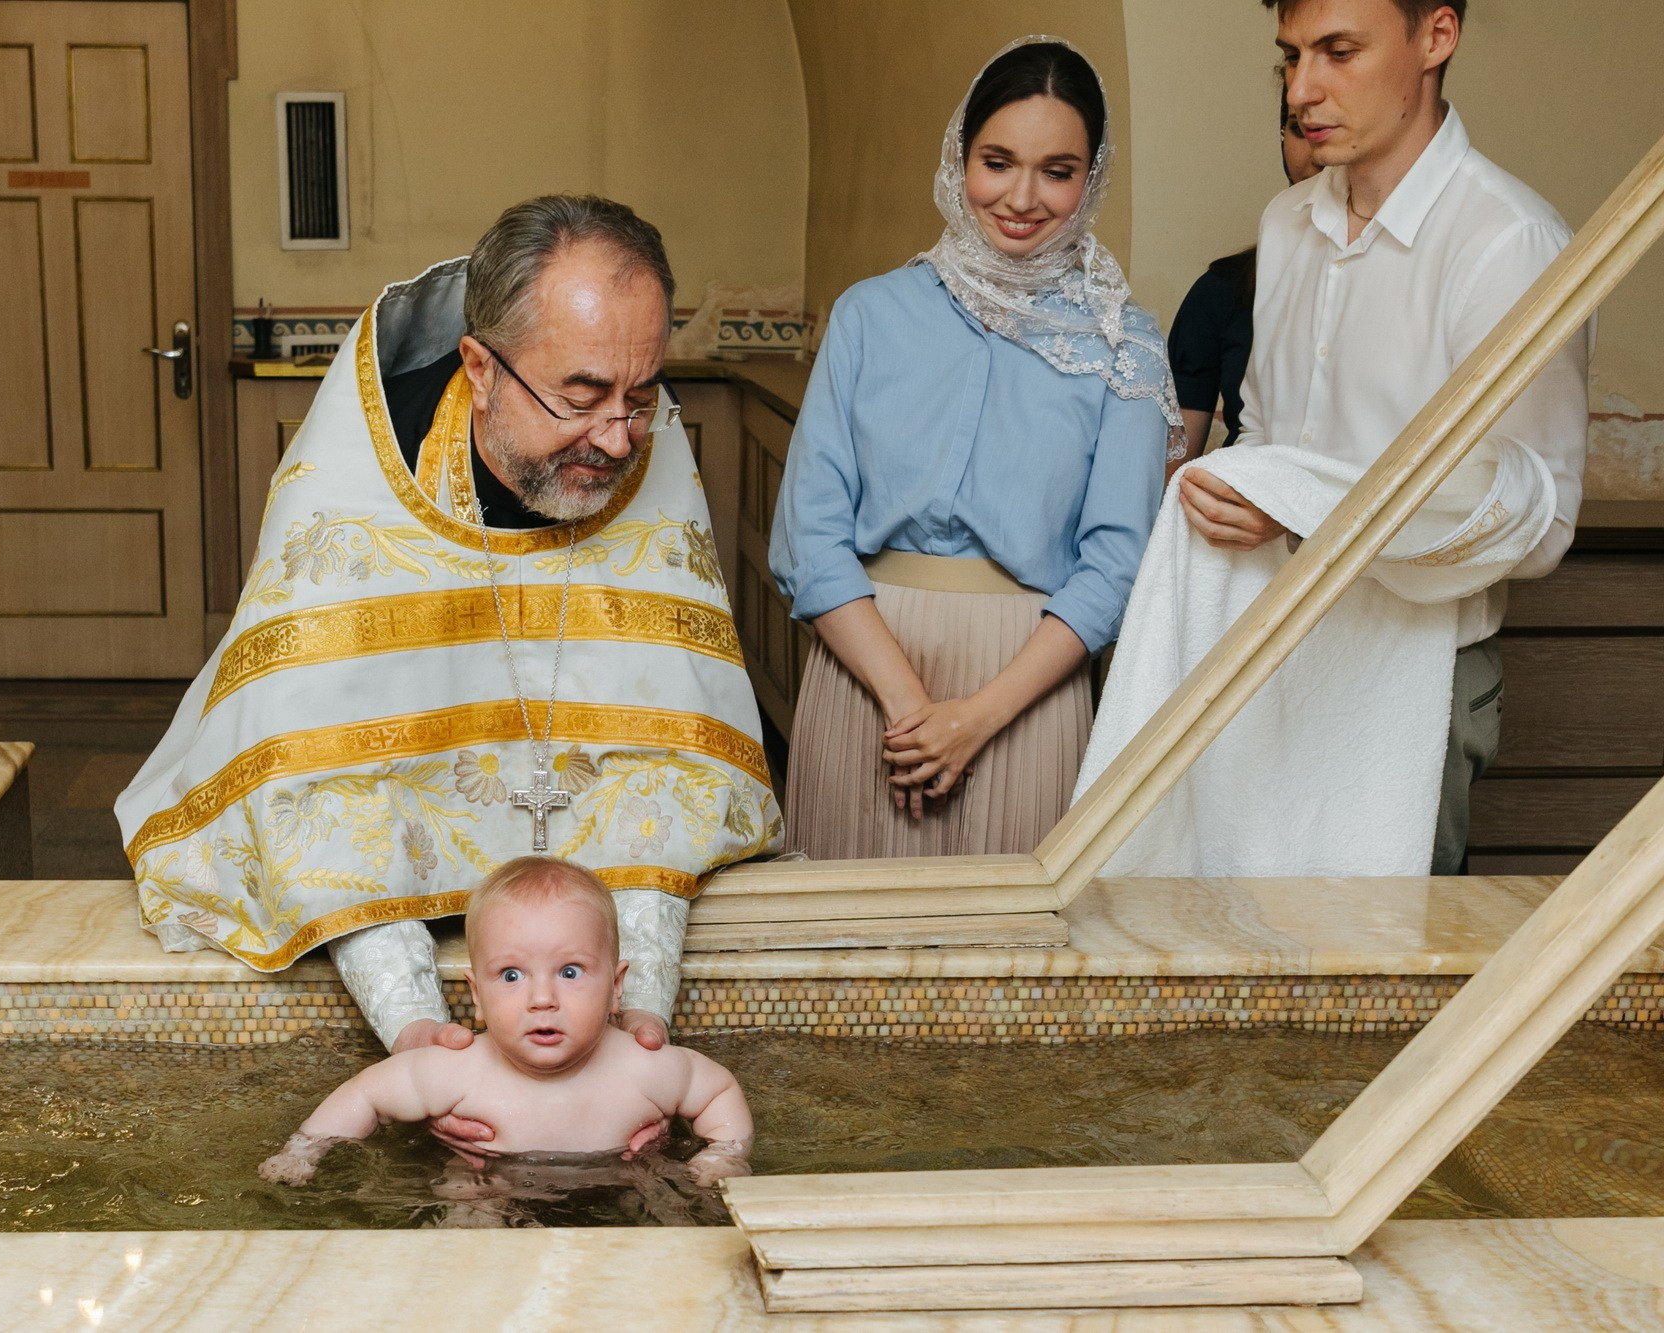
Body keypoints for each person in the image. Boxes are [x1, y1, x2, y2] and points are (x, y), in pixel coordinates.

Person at [117, 197, 781, 1088]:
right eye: (581, 398)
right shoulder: (361, 466)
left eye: (643, 395)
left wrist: (640, 1014)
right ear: (480, 365)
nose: (620, 438)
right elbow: (311, 781)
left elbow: (673, 755)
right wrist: (416, 1032)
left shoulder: (634, 433)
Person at [1083, 0, 1587, 877]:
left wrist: (1314, 511)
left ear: (1436, 37)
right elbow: (1272, 434)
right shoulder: (1287, 227)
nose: (1302, 90)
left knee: (1377, 977)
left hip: (1414, 681)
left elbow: (1537, 517)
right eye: (1290, 56)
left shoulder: (1510, 242)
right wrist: (1249, 487)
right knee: (1232, 957)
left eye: (1339, 51)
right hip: (1268, 660)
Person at [768, 37, 1178, 859]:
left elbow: (1115, 565)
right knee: (837, 964)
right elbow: (808, 536)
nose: (1022, 196)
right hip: (864, 673)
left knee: (1009, 973)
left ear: (1090, 181)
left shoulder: (1123, 345)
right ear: (960, 157)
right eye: (998, 161)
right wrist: (910, 705)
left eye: (1057, 172)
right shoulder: (869, 315)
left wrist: (975, 718)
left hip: (1026, 694)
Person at [257, 858, 753, 1189]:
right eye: (511, 975)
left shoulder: (643, 1067)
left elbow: (716, 1092)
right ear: (476, 993)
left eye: (570, 972)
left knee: (669, 1216)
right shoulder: (458, 1071)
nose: (542, 999)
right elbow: (365, 1094)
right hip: (489, 1183)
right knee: (466, 1198)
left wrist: (724, 1154)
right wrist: (305, 1149)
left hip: (627, 1180)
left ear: (617, 987)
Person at [1167, 93, 1321, 461]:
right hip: (1245, 501)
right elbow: (1174, 466)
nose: (1317, 153)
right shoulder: (1221, 291)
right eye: (1300, 130)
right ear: (1282, 138)